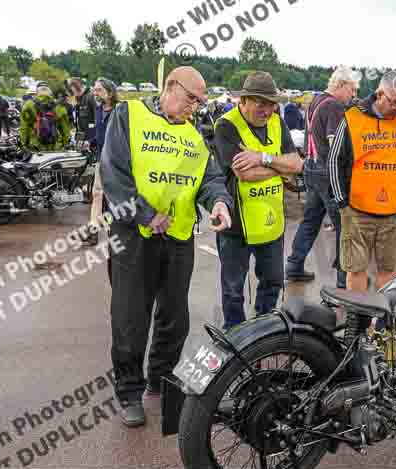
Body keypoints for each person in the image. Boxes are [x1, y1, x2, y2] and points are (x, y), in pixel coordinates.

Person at [101, 66, 233, 427]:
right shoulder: (128, 115)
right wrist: (144, 214)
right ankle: (129, 391)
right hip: (134, 235)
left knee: (175, 318)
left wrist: (219, 202)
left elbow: (210, 178)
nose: (196, 106)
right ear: (171, 86)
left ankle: (161, 378)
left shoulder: (193, 135)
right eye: (192, 98)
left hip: (177, 237)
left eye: (201, 102)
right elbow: (113, 172)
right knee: (130, 318)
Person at [213, 71, 303, 330]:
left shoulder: (277, 121)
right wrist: (281, 166)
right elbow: (246, 174)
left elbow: (297, 164)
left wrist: (263, 158)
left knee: (273, 282)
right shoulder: (226, 125)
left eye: (272, 103)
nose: (268, 109)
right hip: (236, 224)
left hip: (271, 222)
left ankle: (261, 332)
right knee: (233, 289)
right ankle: (235, 335)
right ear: (243, 101)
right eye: (261, 103)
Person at [329, 70, 396, 292]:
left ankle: (383, 323)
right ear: (380, 94)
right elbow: (334, 161)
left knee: (389, 270)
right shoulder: (352, 118)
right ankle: (357, 323)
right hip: (357, 212)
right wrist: (342, 204)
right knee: (356, 270)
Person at [286, 66, 359, 288]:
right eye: (352, 89)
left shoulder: (316, 101)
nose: (353, 95)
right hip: (327, 172)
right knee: (344, 226)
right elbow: (334, 145)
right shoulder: (335, 107)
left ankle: (294, 265)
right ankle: (342, 280)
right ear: (342, 85)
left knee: (310, 221)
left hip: (311, 167)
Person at [81, 78, 118, 247]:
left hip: (116, 161)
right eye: (94, 90)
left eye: (99, 90)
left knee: (113, 196)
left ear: (109, 93)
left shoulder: (120, 111)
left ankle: (114, 230)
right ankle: (93, 231)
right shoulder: (97, 109)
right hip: (100, 158)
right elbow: (100, 133)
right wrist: (92, 142)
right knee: (97, 194)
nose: (95, 93)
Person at [19, 83, 71, 151]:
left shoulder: (28, 105)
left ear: (37, 92)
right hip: (55, 147)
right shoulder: (59, 106)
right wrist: (65, 143)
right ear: (50, 92)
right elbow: (65, 129)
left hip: (35, 146)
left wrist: (24, 144)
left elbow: (24, 128)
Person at [69, 78, 97, 143]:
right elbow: (79, 123)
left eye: (74, 91)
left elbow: (97, 119)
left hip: (91, 138)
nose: (74, 94)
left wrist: (91, 140)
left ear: (78, 88)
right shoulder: (79, 100)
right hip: (81, 137)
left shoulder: (91, 97)